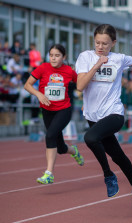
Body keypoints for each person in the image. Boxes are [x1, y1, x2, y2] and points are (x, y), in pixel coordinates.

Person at [75, 24, 132, 210]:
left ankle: (108, 175)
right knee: (117, 156)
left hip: (114, 113)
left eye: (105, 43)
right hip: (93, 115)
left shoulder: (119, 59)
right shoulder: (85, 57)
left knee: (90, 138)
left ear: (113, 43)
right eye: (97, 42)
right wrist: (97, 65)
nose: (100, 46)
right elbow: (80, 86)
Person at [24, 44, 84, 184]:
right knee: (61, 147)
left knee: (50, 135)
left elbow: (81, 85)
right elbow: (27, 85)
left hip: (64, 110)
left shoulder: (69, 71)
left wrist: (84, 100)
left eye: (57, 56)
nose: (53, 58)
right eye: (51, 55)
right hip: (47, 110)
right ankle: (74, 151)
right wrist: (39, 94)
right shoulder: (43, 68)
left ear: (64, 57)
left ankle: (49, 173)